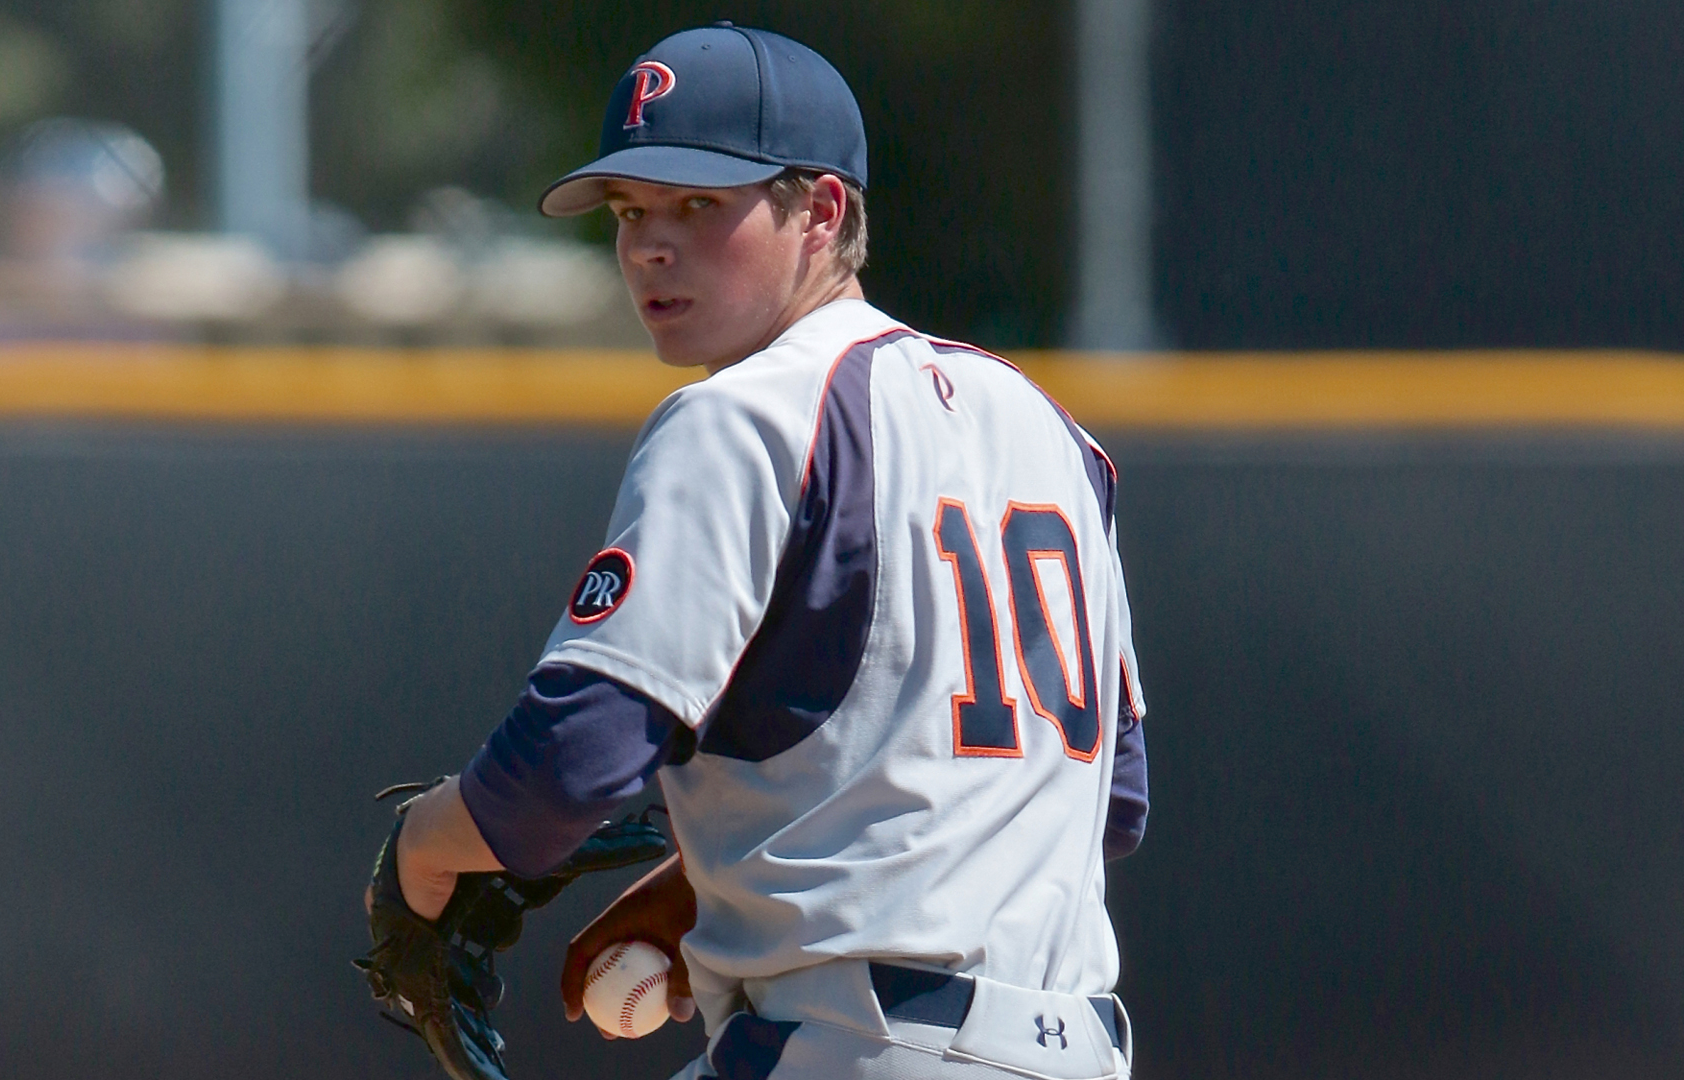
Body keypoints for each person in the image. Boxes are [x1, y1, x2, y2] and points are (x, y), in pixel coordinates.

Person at [386, 23, 1149, 1080]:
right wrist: (722, 875)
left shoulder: (742, 416)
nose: (652, 246)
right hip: (1072, 1049)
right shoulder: (1054, 432)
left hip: (854, 1049)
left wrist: (419, 850)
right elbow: (1105, 805)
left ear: (822, 211)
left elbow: (564, 770)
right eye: (630, 212)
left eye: (700, 206)